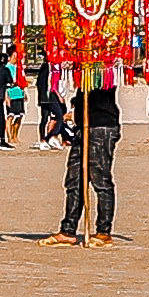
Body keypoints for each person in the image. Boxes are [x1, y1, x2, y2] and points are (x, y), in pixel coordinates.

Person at [54, 48, 123, 245]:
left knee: (100, 178)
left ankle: (103, 230)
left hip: (102, 126)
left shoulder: (107, 64)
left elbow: (100, 81)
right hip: (83, 127)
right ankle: (68, 230)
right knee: (74, 178)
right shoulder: (82, 64)